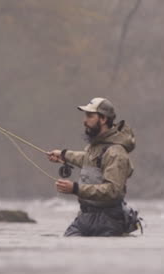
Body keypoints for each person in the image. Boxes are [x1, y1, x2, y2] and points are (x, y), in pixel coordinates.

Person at [46, 97, 140, 237]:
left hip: (109, 221)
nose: (85, 120)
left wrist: (75, 188)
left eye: (90, 116)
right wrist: (64, 155)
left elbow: (113, 190)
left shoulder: (116, 152)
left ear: (103, 119)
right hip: (85, 217)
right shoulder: (96, 146)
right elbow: (88, 159)